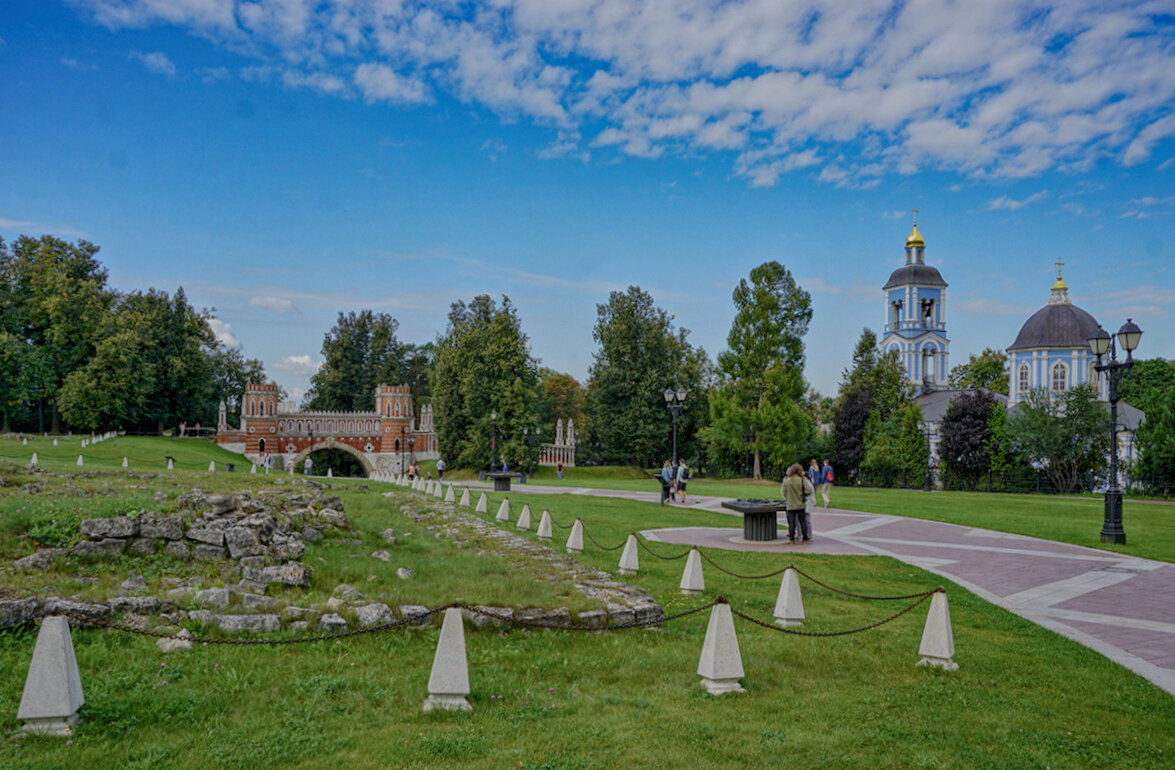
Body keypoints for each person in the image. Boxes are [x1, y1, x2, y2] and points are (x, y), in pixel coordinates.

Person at [781, 463, 815, 544]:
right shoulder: (802, 480)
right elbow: (809, 491)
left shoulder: (787, 480)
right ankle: (805, 539)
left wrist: (789, 497)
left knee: (791, 523)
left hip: (790, 504)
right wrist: (803, 495)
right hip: (800, 504)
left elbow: (784, 493)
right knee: (803, 522)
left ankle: (792, 539)